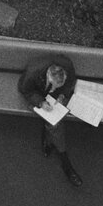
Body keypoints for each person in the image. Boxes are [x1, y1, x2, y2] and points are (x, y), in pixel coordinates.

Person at [17, 53, 83, 187]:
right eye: (52, 86)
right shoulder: (32, 72)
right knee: (55, 123)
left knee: (55, 120)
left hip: (56, 98)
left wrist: (61, 94)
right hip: (37, 94)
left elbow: (69, 84)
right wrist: (41, 102)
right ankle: (66, 162)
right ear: (48, 75)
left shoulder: (67, 65)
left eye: (56, 87)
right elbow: (25, 90)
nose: (53, 89)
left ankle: (47, 140)